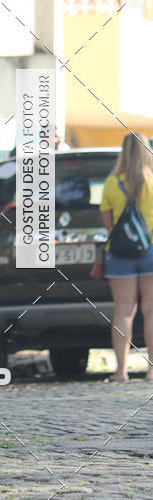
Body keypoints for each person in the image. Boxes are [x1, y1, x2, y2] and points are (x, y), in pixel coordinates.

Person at [100, 132, 153, 382]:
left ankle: (121, 371)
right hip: (151, 250)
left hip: (120, 253)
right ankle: (152, 370)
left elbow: (108, 225)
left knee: (123, 310)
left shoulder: (112, 182)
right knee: (151, 311)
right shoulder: (152, 180)